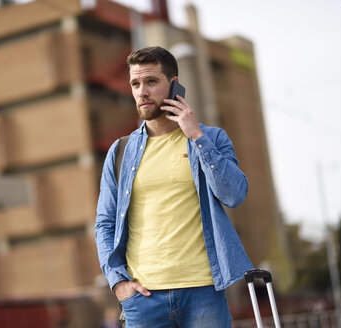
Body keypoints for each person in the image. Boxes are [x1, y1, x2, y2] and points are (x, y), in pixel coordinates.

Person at [95, 46, 253, 327]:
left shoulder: (211, 138)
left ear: (174, 84)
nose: (142, 91)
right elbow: (105, 223)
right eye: (135, 83)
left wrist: (196, 136)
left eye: (152, 81)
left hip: (204, 290)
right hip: (143, 298)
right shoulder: (120, 151)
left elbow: (234, 194)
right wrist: (119, 282)